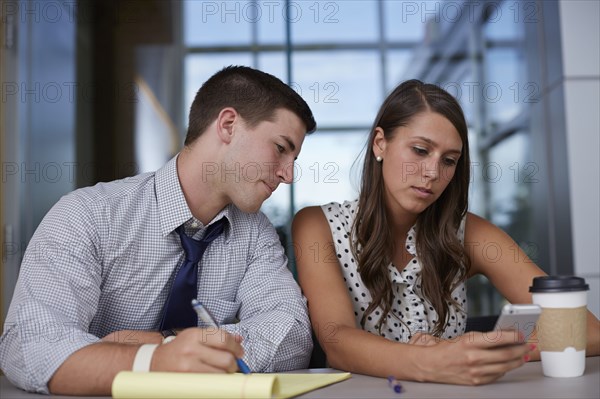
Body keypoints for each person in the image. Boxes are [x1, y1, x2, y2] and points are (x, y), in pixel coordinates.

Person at [0, 66, 317, 395]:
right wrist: (151, 361)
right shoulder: (87, 215)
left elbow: (291, 338)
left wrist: (168, 343)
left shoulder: (256, 235)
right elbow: (29, 344)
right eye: (281, 148)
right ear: (227, 125)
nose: (288, 175)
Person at [292, 79, 600, 385]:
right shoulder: (317, 225)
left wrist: (467, 352)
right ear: (380, 143)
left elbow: (586, 330)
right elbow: (338, 343)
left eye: (449, 160)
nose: (433, 173)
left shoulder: (469, 233)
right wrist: (435, 360)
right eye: (420, 150)